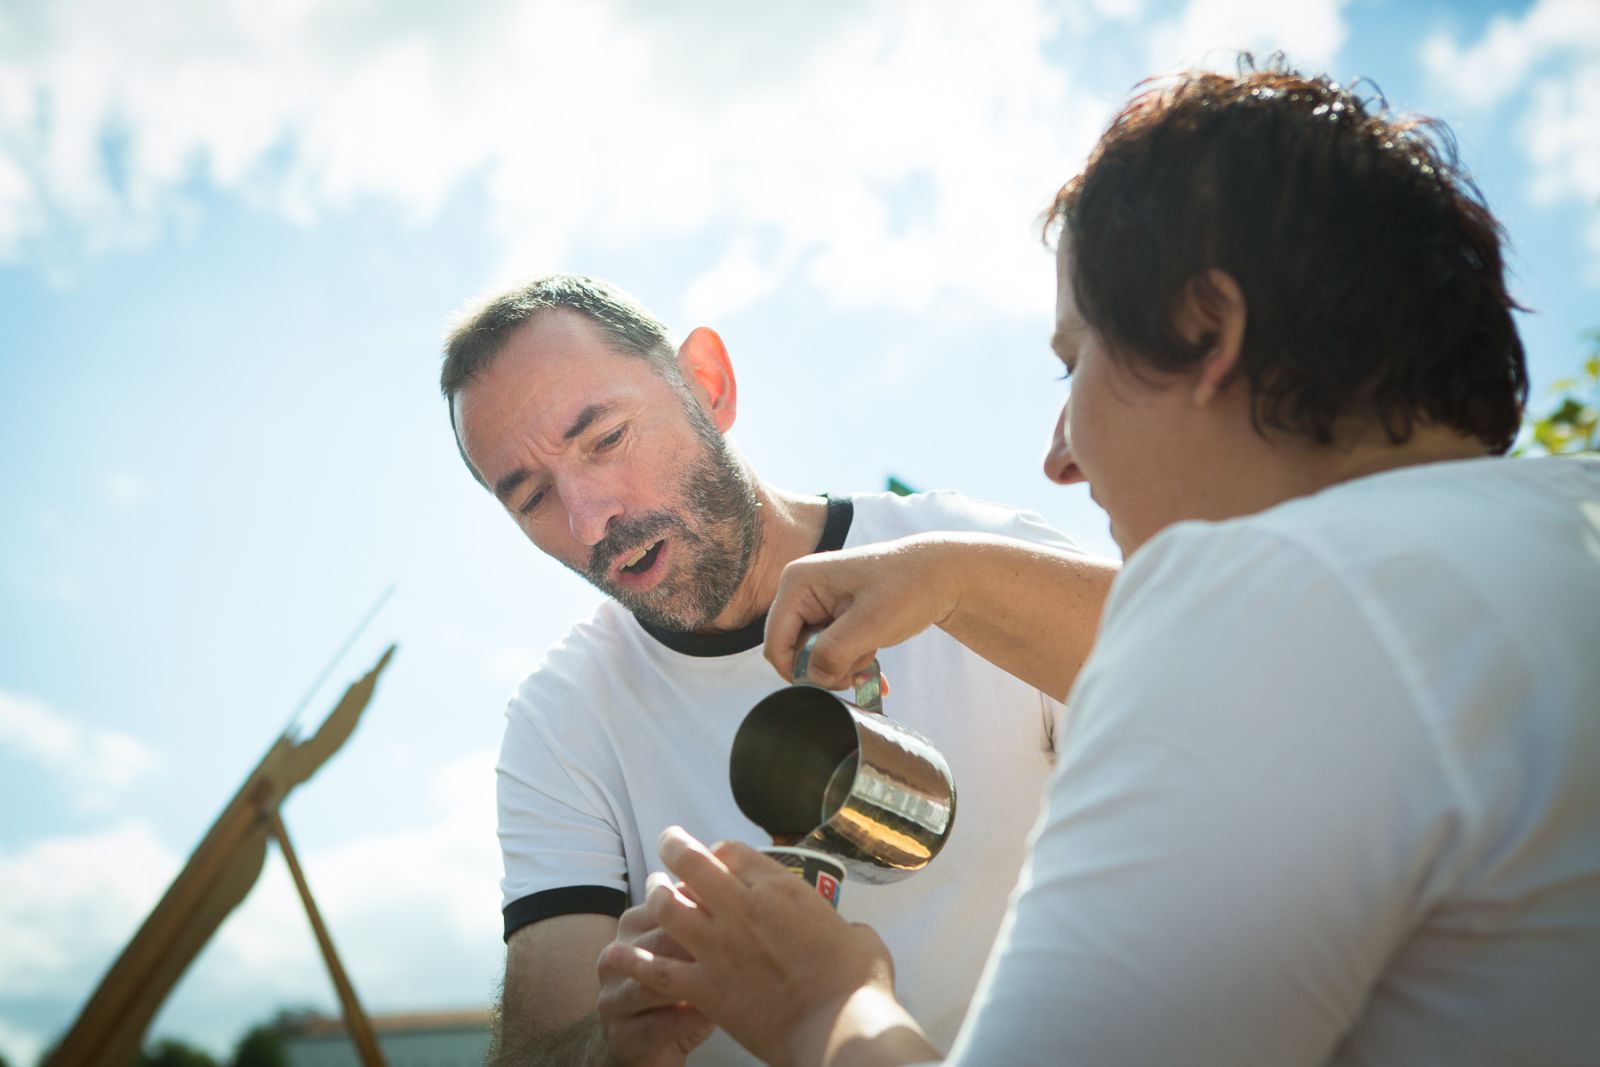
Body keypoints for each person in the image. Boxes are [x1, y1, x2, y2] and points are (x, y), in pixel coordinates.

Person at [605, 64, 1600, 1065]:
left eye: (1074, 360)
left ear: (1207, 330)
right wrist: (956, 575)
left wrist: (818, 1003)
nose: (1059, 457)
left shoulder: (1261, 607)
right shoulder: (1565, 527)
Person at [439, 274, 1119, 1065]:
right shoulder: (563, 721)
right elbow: (540, 1045)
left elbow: (1213, 681)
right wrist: (612, 1044)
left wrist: (962, 585)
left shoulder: (966, 553)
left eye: (607, 439)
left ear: (708, 384)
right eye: (533, 497)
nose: (591, 518)